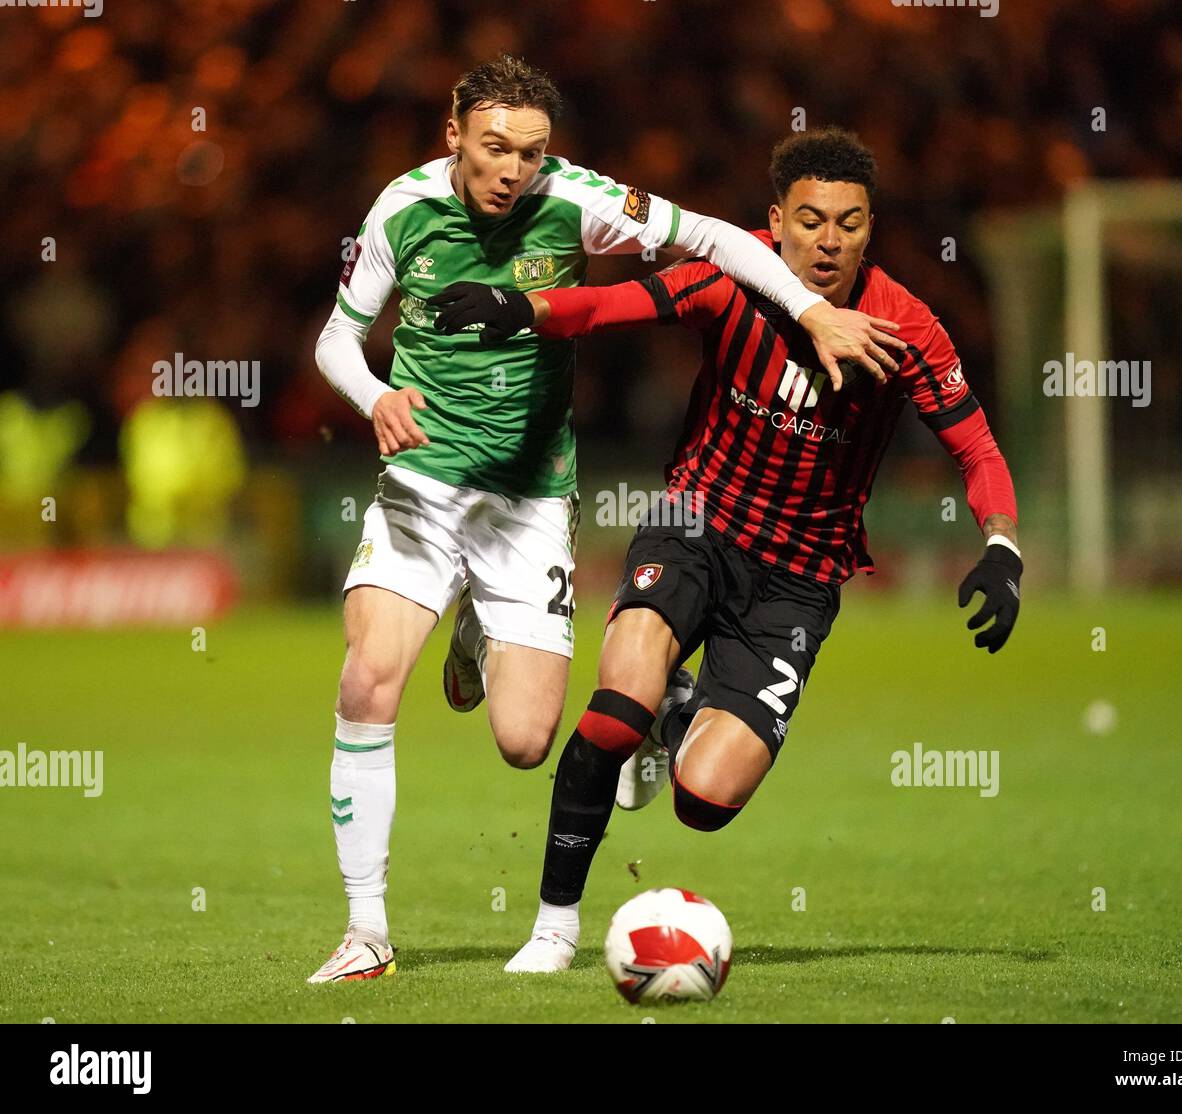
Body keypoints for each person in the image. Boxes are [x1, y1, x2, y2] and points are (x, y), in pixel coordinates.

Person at [308, 56, 900, 984]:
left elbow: (711, 238)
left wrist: (811, 311)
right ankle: (366, 932)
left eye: (530, 153)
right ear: (453, 134)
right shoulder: (400, 210)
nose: (512, 170)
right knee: (370, 680)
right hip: (423, 484)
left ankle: (473, 626)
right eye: (495, 147)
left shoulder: (577, 200)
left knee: (526, 742)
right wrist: (375, 395)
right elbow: (336, 337)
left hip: (531, 499)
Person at [435, 126, 1020, 973]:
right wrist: (520, 307)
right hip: (694, 523)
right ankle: (554, 929)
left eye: (849, 223)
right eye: (810, 220)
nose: (829, 242)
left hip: (799, 579)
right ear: (774, 221)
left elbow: (978, 449)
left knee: (703, 801)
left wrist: (1003, 549)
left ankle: (682, 711)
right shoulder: (732, 273)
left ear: (870, 227)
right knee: (613, 710)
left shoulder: (905, 327)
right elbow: (609, 306)